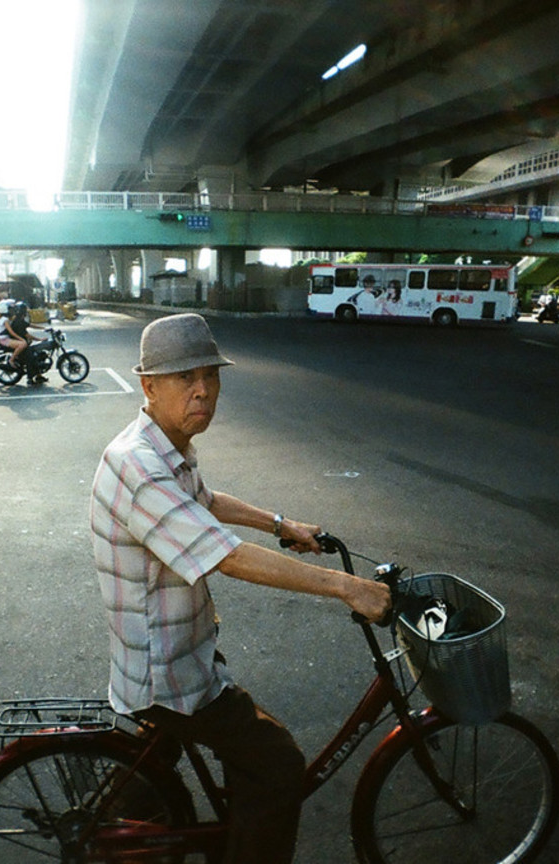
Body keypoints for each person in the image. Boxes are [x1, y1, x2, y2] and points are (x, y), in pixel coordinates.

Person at [89, 313, 391, 864]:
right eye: (185, 378)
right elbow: (225, 556)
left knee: (156, 778)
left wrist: (282, 524)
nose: (202, 390)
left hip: (177, 648)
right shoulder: (139, 466)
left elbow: (206, 502)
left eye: (210, 375)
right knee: (276, 764)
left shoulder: (165, 447)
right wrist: (348, 588)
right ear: (149, 387)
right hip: (168, 671)